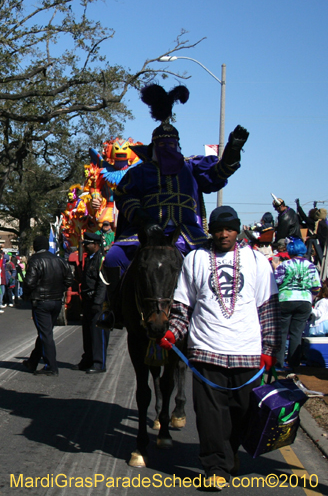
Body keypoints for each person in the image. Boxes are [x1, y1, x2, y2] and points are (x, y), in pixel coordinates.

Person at [100, 84, 248, 329]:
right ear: (154, 149)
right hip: (146, 234)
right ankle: (113, 309)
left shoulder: (191, 167)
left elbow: (217, 174)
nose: (168, 150)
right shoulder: (141, 172)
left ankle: (213, 314)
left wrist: (232, 152)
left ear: (178, 146)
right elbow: (124, 195)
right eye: (163, 146)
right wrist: (142, 217)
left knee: (211, 263)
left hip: (187, 235)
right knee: (114, 255)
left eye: (172, 145)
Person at [159, 206, 280, 489]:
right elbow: (182, 305)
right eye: (218, 229)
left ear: (237, 229)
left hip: (247, 353)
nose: (223, 235)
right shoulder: (195, 259)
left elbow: (268, 308)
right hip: (206, 349)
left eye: (229, 229)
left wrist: (270, 349)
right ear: (209, 231)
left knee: (241, 413)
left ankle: (229, 453)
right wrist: (173, 333)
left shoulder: (256, 261)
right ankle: (215, 467)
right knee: (211, 414)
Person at [21, 235, 75, 376]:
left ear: (36, 246)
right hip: (56, 301)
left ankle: (51, 366)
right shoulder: (59, 260)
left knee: (46, 334)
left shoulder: (36, 260)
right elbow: (69, 278)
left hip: (41, 301)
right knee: (45, 332)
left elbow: (29, 282)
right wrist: (60, 289)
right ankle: (33, 361)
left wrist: (26, 294)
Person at [274, 238, 320, 370]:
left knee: (282, 332)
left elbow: (276, 282)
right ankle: (294, 364)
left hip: (285, 300)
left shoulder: (284, 265)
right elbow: (316, 287)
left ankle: (279, 363)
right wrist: (311, 298)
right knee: (297, 333)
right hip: (304, 300)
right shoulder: (311, 266)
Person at [79, 232, 109, 373]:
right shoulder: (90, 258)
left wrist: (98, 302)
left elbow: (102, 283)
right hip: (87, 300)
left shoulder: (101, 259)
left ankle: (99, 363)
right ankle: (89, 359)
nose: (85, 247)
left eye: (87, 244)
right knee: (88, 332)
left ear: (95, 245)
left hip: (97, 302)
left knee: (98, 333)